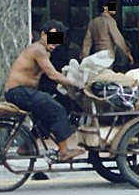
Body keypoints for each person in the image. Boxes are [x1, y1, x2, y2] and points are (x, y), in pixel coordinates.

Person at [5, 20, 84, 162]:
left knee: (46, 114)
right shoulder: (38, 50)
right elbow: (52, 74)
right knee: (56, 109)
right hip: (20, 92)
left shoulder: (44, 51)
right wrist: (76, 84)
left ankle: (26, 147)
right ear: (43, 34)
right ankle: (64, 151)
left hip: (23, 92)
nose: (55, 43)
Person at [81, 0, 134, 68]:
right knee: (107, 75)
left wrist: (84, 57)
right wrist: (127, 53)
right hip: (108, 55)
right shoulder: (110, 21)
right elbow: (118, 39)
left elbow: (87, 42)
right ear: (105, 7)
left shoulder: (93, 22)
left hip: (97, 54)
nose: (115, 7)